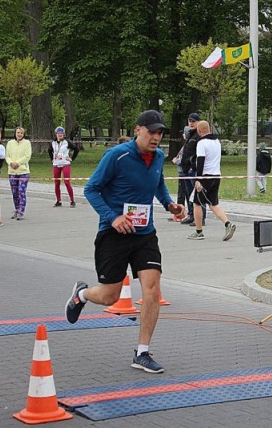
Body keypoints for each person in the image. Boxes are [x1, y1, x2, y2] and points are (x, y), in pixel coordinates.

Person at [65, 110, 185, 373]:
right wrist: (113, 218)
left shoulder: (159, 156)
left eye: (160, 133)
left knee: (152, 289)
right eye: (152, 132)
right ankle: (82, 294)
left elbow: (158, 183)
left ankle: (142, 352)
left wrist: (169, 204)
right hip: (114, 234)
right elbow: (91, 189)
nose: (156, 138)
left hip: (144, 234)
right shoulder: (116, 156)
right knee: (110, 296)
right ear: (138, 130)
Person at [187, 120, 236, 241]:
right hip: (216, 175)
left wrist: (198, 179)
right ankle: (228, 224)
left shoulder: (202, 143)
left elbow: (200, 162)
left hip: (205, 176)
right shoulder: (216, 141)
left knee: (197, 203)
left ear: (199, 131)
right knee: (213, 204)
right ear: (209, 129)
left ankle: (199, 231)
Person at [180, 113, 206, 226]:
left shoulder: (199, 136)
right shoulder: (189, 135)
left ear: (198, 122)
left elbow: (199, 154)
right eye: (189, 121)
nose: (191, 123)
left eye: (193, 121)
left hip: (193, 169)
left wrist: (192, 163)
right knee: (189, 194)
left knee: (197, 195)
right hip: (186, 168)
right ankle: (191, 215)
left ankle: (200, 218)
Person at [48, 126, 80, 208]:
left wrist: (72, 158)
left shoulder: (67, 142)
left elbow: (76, 149)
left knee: (67, 182)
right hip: (56, 164)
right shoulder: (53, 143)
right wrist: (52, 159)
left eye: (61, 133)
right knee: (57, 183)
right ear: (56, 134)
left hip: (65, 164)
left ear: (63, 134)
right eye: (58, 133)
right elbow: (49, 150)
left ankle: (72, 201)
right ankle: (58, 201)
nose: (60, 135)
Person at [6, 127, 32, 220]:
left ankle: (21, 210)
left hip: (23, 171)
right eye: (18, 132)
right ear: (15, 133)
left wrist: (18, 163)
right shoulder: (10, 143)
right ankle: (16, 209)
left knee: (21, 191)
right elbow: (7, 156)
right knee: (15, 192)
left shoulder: (27, 143)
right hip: (12, 172)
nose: (19, 134)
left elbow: (27, 156)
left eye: (21, 133)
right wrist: (11, 163)